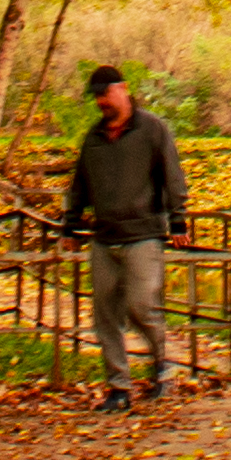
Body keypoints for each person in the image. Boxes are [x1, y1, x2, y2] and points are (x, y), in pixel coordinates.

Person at [59, 62, 187, 404]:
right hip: (104, 236)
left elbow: (172, 175)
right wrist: (70, 223)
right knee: (105, 314)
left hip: (143, 233)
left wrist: (178, 220)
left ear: (122, 89)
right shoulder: (94, 138)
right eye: (96, 97)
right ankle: (118, 386)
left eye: (105, 94)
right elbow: (80, 183)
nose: (101, 101)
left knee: (141, 305)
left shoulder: (152, 130)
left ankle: (163, 368)